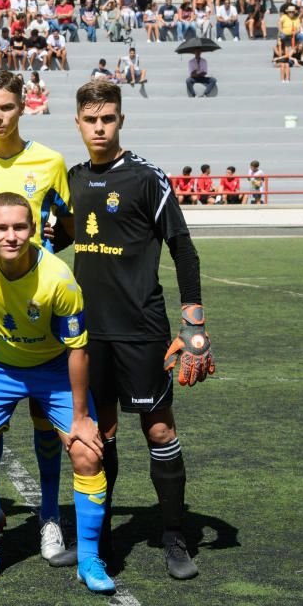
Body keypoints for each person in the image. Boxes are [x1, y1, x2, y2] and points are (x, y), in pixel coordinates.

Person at [67, 80, 214, 579]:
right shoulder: (74, 177)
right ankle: (98, 541)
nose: (100, 127)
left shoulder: (147, 177)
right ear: (79, 123)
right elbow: (69, 232)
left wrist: (193, 319)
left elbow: (183, 248)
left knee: (158, 429)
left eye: (108, 118)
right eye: (91, 119)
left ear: (121, 120)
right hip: (90, 333)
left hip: (142, 328)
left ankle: (175, 537)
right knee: (100, 433)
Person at [0, 192, 114, 592]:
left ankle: (91, 559)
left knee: (87, 452)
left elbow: (78, 350)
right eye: (2, 228)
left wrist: (80, 417)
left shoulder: (59, 278)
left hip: (53, 368)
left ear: (34, 229)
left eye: (20, 227)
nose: (11, 236)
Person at [0, 71, 74, 562]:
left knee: (46, 418)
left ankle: (49, 516)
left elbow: (66, 226)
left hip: (38, 307)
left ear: (23, 107)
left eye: (6, 106)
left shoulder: (50, 161)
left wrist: (38, 264)